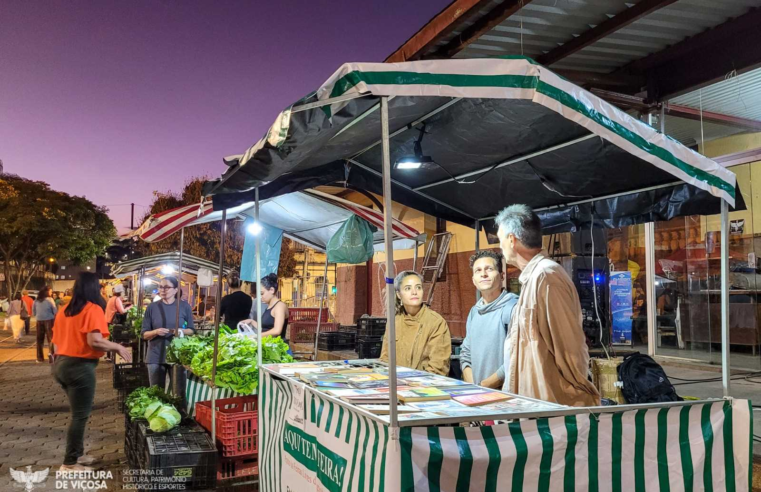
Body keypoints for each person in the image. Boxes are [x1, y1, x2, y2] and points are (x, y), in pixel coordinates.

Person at [496, 204, 600, 406]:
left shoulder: (546, 277)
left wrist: (575, 396)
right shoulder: (534, 278)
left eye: (500, 241)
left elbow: (571, 348)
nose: (500, 248)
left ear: (511, 239)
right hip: (532, 407)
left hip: (551, 409)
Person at [51, 272, 132, 472]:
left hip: (61, 365)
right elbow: (94, 341)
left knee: (77, 413)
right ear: (94, 288)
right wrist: (118, 347)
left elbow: (53, 342)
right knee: (80, 415)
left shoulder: (65, 310)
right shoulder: (93, 309)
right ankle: (69, 464)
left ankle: (77, 455)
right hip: (80, 367)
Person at [460, 250, 518, 389]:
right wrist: (474, 387)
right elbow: (466, 353)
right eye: (478, 270)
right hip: (478, 394)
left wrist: (485, 385)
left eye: (489, 269)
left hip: (505, 396)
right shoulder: (474, 311)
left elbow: (516, 357)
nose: (483, 274)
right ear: (474, 280)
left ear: (502, 275)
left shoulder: (513, 308)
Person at [380, 271, 451, 375]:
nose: (414, 292)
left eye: (418, 287)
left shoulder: (436, 322)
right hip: (396, 385)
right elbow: (385, 360)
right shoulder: (394, 322)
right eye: (408, 288)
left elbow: (438, 368)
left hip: (425, 386)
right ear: (399, 295)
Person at [141, 277, 194, 387]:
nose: (163, 290)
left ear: (175, 290)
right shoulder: (152, 307)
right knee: (156, 393)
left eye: (167, 287)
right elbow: (144, 334)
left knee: (179, 393)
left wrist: (181, 331)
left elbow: (192, 330)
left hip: (177, 356)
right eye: (161, 287)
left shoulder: (184, 306)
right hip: (155, 356)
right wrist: (155, 332)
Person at [242, 274, 289, 339]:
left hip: (277, 346)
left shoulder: (280, 306)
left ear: (272, 290)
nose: (260, 297)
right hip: (268, 344)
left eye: (262, 293)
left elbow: (277, 330)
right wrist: (251, 321)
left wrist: (257, 336)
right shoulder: (269, 306)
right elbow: (265, 328)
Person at [33, 286, 57, 363]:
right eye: (50, 291)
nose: (51, 293)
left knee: (39, 340)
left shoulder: (36, 300)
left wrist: (38, 315)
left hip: (39, 321)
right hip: (49, 320)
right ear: (47, 292)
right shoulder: (50, 300)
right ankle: (51, 354)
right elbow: (55, 311)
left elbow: (33, 311)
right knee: (51, 339)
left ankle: (39, 358)